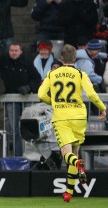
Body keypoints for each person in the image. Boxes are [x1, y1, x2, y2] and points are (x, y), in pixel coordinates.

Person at [38, 44, 106, 203]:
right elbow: (92, 94)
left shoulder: (52, 74)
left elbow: (41, 94)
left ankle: (78, 163)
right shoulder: (81, 74)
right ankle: (68, 192)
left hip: (62, 117)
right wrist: (103, 109)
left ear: (61, 58)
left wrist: (53, 102)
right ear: (75, 58)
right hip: (79, 117)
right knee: (74, 152)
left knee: (67, 156)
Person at [0, 42, 41, 156]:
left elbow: (36, 78)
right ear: (8, 51)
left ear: (21, 51)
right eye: (11, 50)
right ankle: (17, 156)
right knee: (14, 130)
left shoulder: (27, 61)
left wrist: (28, 87)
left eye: (16, 50)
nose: (13, 53)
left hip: (26, 98)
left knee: (28, 128)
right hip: (11, 99)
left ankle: (30, 155)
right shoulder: (4, 60)